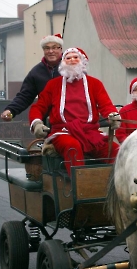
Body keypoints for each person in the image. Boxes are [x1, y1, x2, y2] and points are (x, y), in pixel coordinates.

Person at [28, 47, 121, 175]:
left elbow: (106, 105)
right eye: (68, 58)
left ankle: (114, 188)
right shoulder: (53, 85)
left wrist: (113, 115)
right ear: (63, 62)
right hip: (63, 132)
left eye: (76, 57)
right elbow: (39, 107)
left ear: (82, 61)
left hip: (90, 133)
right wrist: (37, 123)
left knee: (117, 150)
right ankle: (80, 189)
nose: (72, 60)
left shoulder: (95, 84)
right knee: (73, 147)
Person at [0, 34, 64, 121]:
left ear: (61, 49)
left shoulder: (70, 68)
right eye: (47, 48)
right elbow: (25, 96)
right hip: (47, 121)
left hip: (70, 119)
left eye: (55, 47)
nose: (51, 51)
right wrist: (10, 110)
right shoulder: (36, 72)